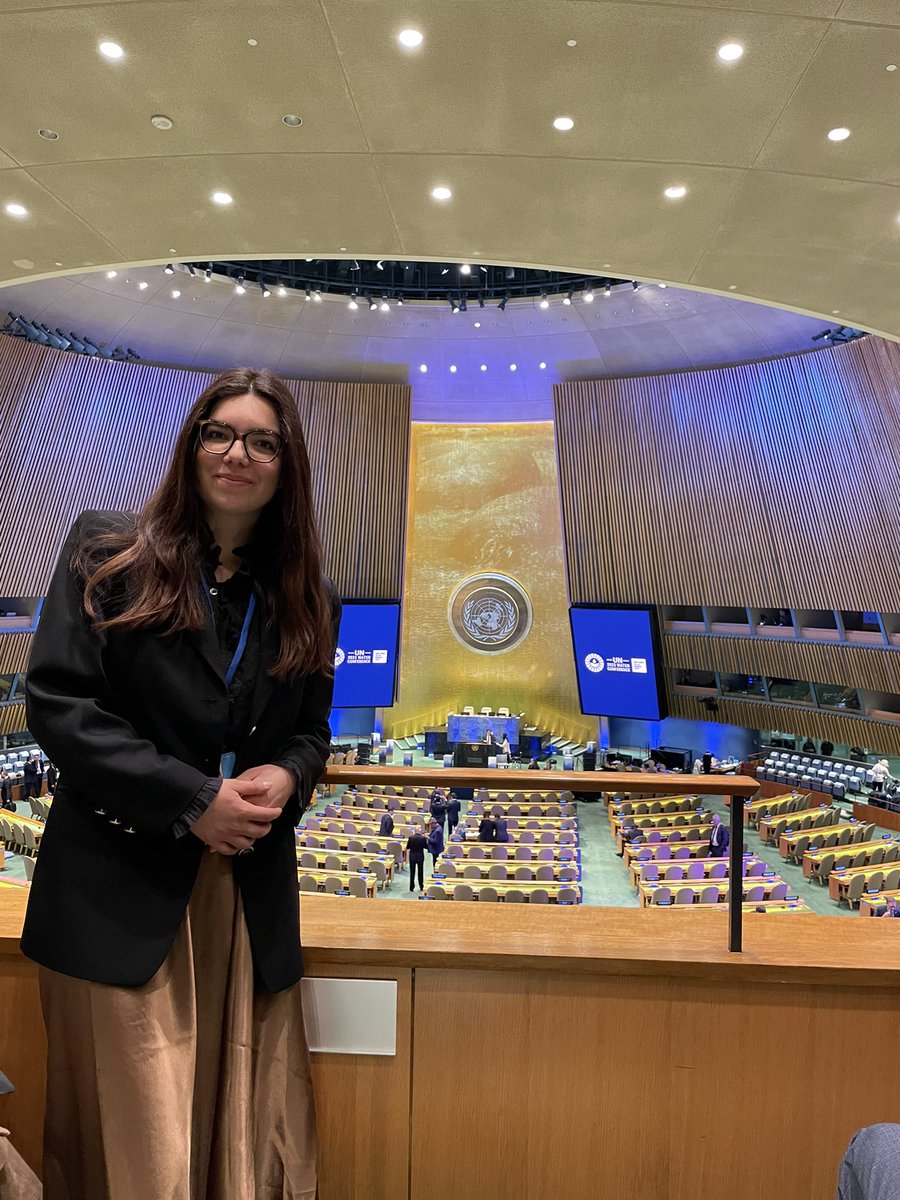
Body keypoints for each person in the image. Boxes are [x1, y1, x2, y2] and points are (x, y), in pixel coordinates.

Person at [22, 368, 340, 1198]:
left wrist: (289, 770)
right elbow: (60, 705)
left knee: (240, 1137)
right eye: (219, 432)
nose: (238, 453)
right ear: (193, 444)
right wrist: (191, 800)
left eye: (263, 440)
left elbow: (311, 732)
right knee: (141, 1144)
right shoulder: (108, 550)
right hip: (120, 887)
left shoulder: (305, 595)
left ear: (287, 463)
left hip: (241, 896)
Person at [407, 824, 427, 892]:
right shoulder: (423, 838)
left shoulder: (410, 838)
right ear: (420, 830)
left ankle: (411, 887)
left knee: (412, 872)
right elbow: (426, 846)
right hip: (420, 856)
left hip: (412, 857)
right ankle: (421, 886)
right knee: (420, 872)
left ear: (414, 831)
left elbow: (408, 847)